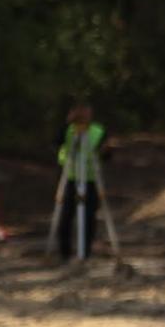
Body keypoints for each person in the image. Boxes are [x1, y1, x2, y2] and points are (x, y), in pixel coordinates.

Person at [55, 102, 107, 261]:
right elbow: (55, 142)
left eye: (85, 109)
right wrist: (68, 122)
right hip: (71, 179)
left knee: (89, 218)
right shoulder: (68, 130)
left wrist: (105, 151)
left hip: (91, 180)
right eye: (79, 110)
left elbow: (108, 153)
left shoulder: (97, 131)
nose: (83, 113)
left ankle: (85, 254)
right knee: (65, 218)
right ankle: (65, 255)